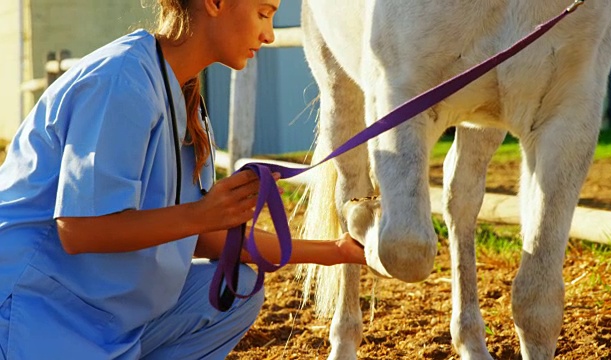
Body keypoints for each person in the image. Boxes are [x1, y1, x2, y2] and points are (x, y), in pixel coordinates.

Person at [0, 0, 366, 358]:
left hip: (98, 310)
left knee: (235, 290)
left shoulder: (182, 94)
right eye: (263, 13)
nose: (269, 35)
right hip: (37, 308)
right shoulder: (121, 79)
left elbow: (201, 237)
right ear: (216, 3)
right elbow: (79, 230)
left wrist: (336, 252)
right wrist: (203, 214)